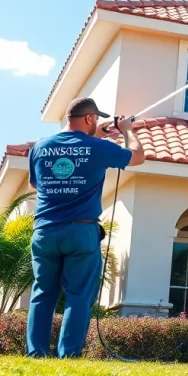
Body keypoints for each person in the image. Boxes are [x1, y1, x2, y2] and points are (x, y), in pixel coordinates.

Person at [26, 97, 145, 358]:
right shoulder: (97, 148)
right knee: (78, 295)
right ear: (90, 119)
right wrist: (127, 131)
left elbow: (36, 185)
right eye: (95, 120)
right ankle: (68, 355)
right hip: (80, 231)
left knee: (42, 293)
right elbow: (137, 157)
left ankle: (36, 353)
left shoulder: (39, 147)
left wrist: (99, 133)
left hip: (45, 230)